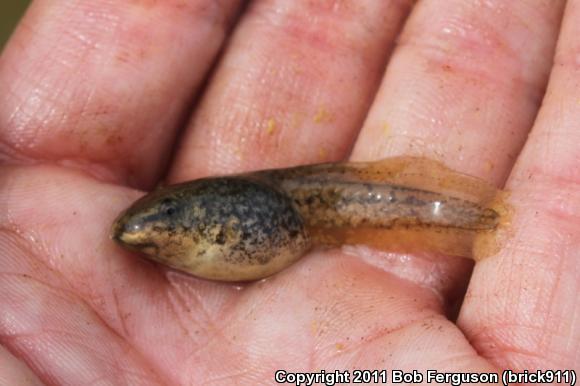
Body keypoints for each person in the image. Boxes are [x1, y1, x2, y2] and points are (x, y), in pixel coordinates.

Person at [0, 1, 577, 384]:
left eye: (170, 213)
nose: (140, 234)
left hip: (294, 210)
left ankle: (484, 221)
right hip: (287, 214)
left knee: (428, 209)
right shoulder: (152, 236)